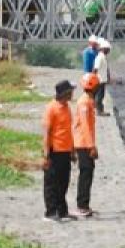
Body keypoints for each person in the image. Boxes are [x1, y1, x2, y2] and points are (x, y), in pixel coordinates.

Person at [41, 80, 76, 221]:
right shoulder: (51, 108)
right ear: (65, 94)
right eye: (71, 91)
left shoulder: (67, 107)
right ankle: (50, 212)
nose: (73, 93)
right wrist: (46, 155)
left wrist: (72, 151)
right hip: (54, 150)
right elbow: (47, 133)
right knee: (51, 183)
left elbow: (68, 131)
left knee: (63, 182)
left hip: (65, 150)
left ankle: (62, 211)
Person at [74, 73, 100, 218]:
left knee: (88, 172)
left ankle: (84, 204)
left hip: (85, 142)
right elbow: (85, 126)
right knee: (85, 173)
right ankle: (82, 206)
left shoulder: (88, 100)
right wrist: (91, 146)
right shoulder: (84, 103)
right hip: (83, 143)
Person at [92, 39, 112, 115]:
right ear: (103, 49)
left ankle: (99, 110)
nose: (109, 51)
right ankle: (99, 111)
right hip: (99, 80)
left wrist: (108, 79)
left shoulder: (103, 57)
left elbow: (105, 69)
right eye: (108, 49)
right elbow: (95, 69)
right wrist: (93, 78)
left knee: (100, 95)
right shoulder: (100, 57)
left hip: (102, 80)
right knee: (99, 96)